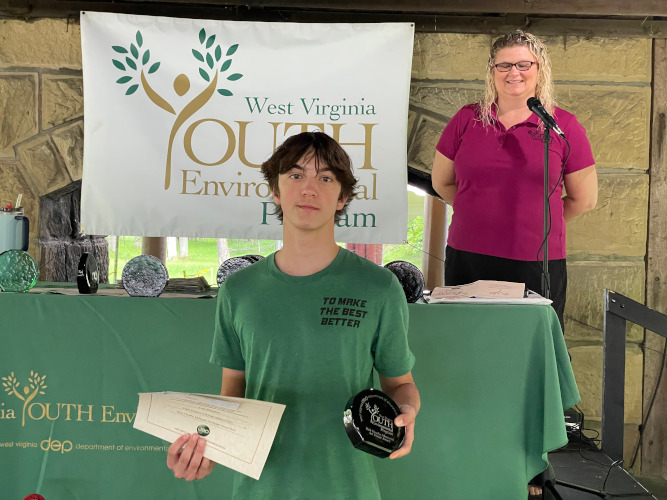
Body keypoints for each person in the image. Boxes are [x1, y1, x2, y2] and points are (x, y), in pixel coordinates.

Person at [167, 131, 420, 499]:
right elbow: (232, 396)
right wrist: (206, 450)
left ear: (343, 197)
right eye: (295, 175)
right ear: (276, 191)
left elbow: (400, 384)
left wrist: (407, 410)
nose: (309, 189)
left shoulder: (378, 288)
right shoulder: (239, 291)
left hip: (346, 486)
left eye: (326, 178)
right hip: (260, 489)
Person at [431, 30, 597, 332]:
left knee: (528, 348)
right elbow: (442, 182)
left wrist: (538, 224)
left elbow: (584, 199)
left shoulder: (564, 126)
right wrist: (480, 212)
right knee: (467, 342)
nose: (513, 73)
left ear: (539, 69)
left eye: (523, 65)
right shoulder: (467, 119)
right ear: (492, 71)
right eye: (504, 65)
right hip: (468, 256)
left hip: (535, 262)